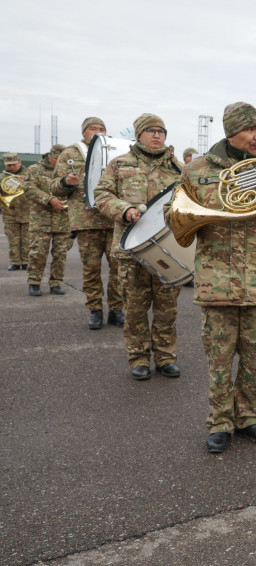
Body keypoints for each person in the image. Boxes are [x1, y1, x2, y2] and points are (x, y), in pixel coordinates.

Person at [174, 102, 256, 454]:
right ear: (232, 133)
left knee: (253, 358)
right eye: (251, 130)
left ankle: (249, 417)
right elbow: (176, 214)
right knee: (218, 358)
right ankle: (220, 422)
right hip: (216, 280)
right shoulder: (197, 169)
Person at [94, 113, 185, 381]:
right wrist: (124, 210)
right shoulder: (120, 164)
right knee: (134, 308)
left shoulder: (179, 170)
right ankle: (139, 357)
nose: (157, 135)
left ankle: (166, 357)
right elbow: (102, 195)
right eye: (151, 130)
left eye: (162, 131)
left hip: (168, 250)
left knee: (167, 308)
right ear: (139, 134)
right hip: (130, 251)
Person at [51, 117, 124, 330]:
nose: (98, 131)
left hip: (113, 220)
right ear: (84, 132)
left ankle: (116, 310)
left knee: (118, 268)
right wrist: (66, 182)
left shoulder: (115, 152)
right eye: (93, 128)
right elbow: (54, 187)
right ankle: (95, 310)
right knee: (91, 269)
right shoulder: (70, 154)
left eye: (102, 128)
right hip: (86, 221)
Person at [23, 144, 72, 296]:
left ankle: (56, 282)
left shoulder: (68, 172)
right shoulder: (34, 170)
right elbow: (29, 188)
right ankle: (34, 282)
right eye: (58, 159)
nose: (60, 162)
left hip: (63, 220)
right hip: (41, 219)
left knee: (60, 254)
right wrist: (49, 199)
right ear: (50, 156)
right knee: (38, 253)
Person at [2, 152, 31, 270]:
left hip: (27, 212)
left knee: (27, 239)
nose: (11, 167)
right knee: (13, 239)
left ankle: (26, 262)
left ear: (19, 162)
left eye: (14, 164)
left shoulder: (29, 174)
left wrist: (27, 180)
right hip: (10, 214)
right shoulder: (2, 177)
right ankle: (15, 262)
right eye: (9, 165)